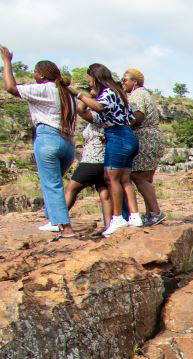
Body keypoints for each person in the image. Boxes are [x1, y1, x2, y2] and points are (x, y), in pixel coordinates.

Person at [0, 46, 77, 237]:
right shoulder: (68, 93)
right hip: (68, 143)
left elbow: (10, 87)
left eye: (35, 72)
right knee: (52, 182)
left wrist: (7, 62)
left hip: (48, 139)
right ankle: (53, 220)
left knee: (51, 184)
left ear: (42, 75)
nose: (34, 75)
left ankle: (65, 228)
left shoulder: (44, 89)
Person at [75, 63, 141, 237]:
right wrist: (89, 95)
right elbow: (84, 111)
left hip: (117, 136)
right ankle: (135, 216)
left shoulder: (108, 93)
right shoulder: (118, 93)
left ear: (95, 77)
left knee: (111, 179)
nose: (89, 82)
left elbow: (98, 107)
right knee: (125, 179)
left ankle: (117, 218)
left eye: (90, 79)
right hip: (127, 135)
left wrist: (78, 94)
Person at [122, 69, 165, 226]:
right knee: (146, 178)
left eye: (125, 80)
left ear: (135, 81)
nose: (123, 83)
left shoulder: (137, 94)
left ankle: (156, 212)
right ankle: (150, 214)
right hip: (153, 137)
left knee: (138, 176)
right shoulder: (145, 94)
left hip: (145, 138)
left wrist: (125, 127)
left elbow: (139, 115)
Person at [65, 113, 112, 232]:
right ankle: (109, 227)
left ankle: (59, 220)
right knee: (104, 192)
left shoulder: (98, 115)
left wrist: (82, 99)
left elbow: (80, 109)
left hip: (92, 160)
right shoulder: (112, 116)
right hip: (105, 159)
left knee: (71, 188)